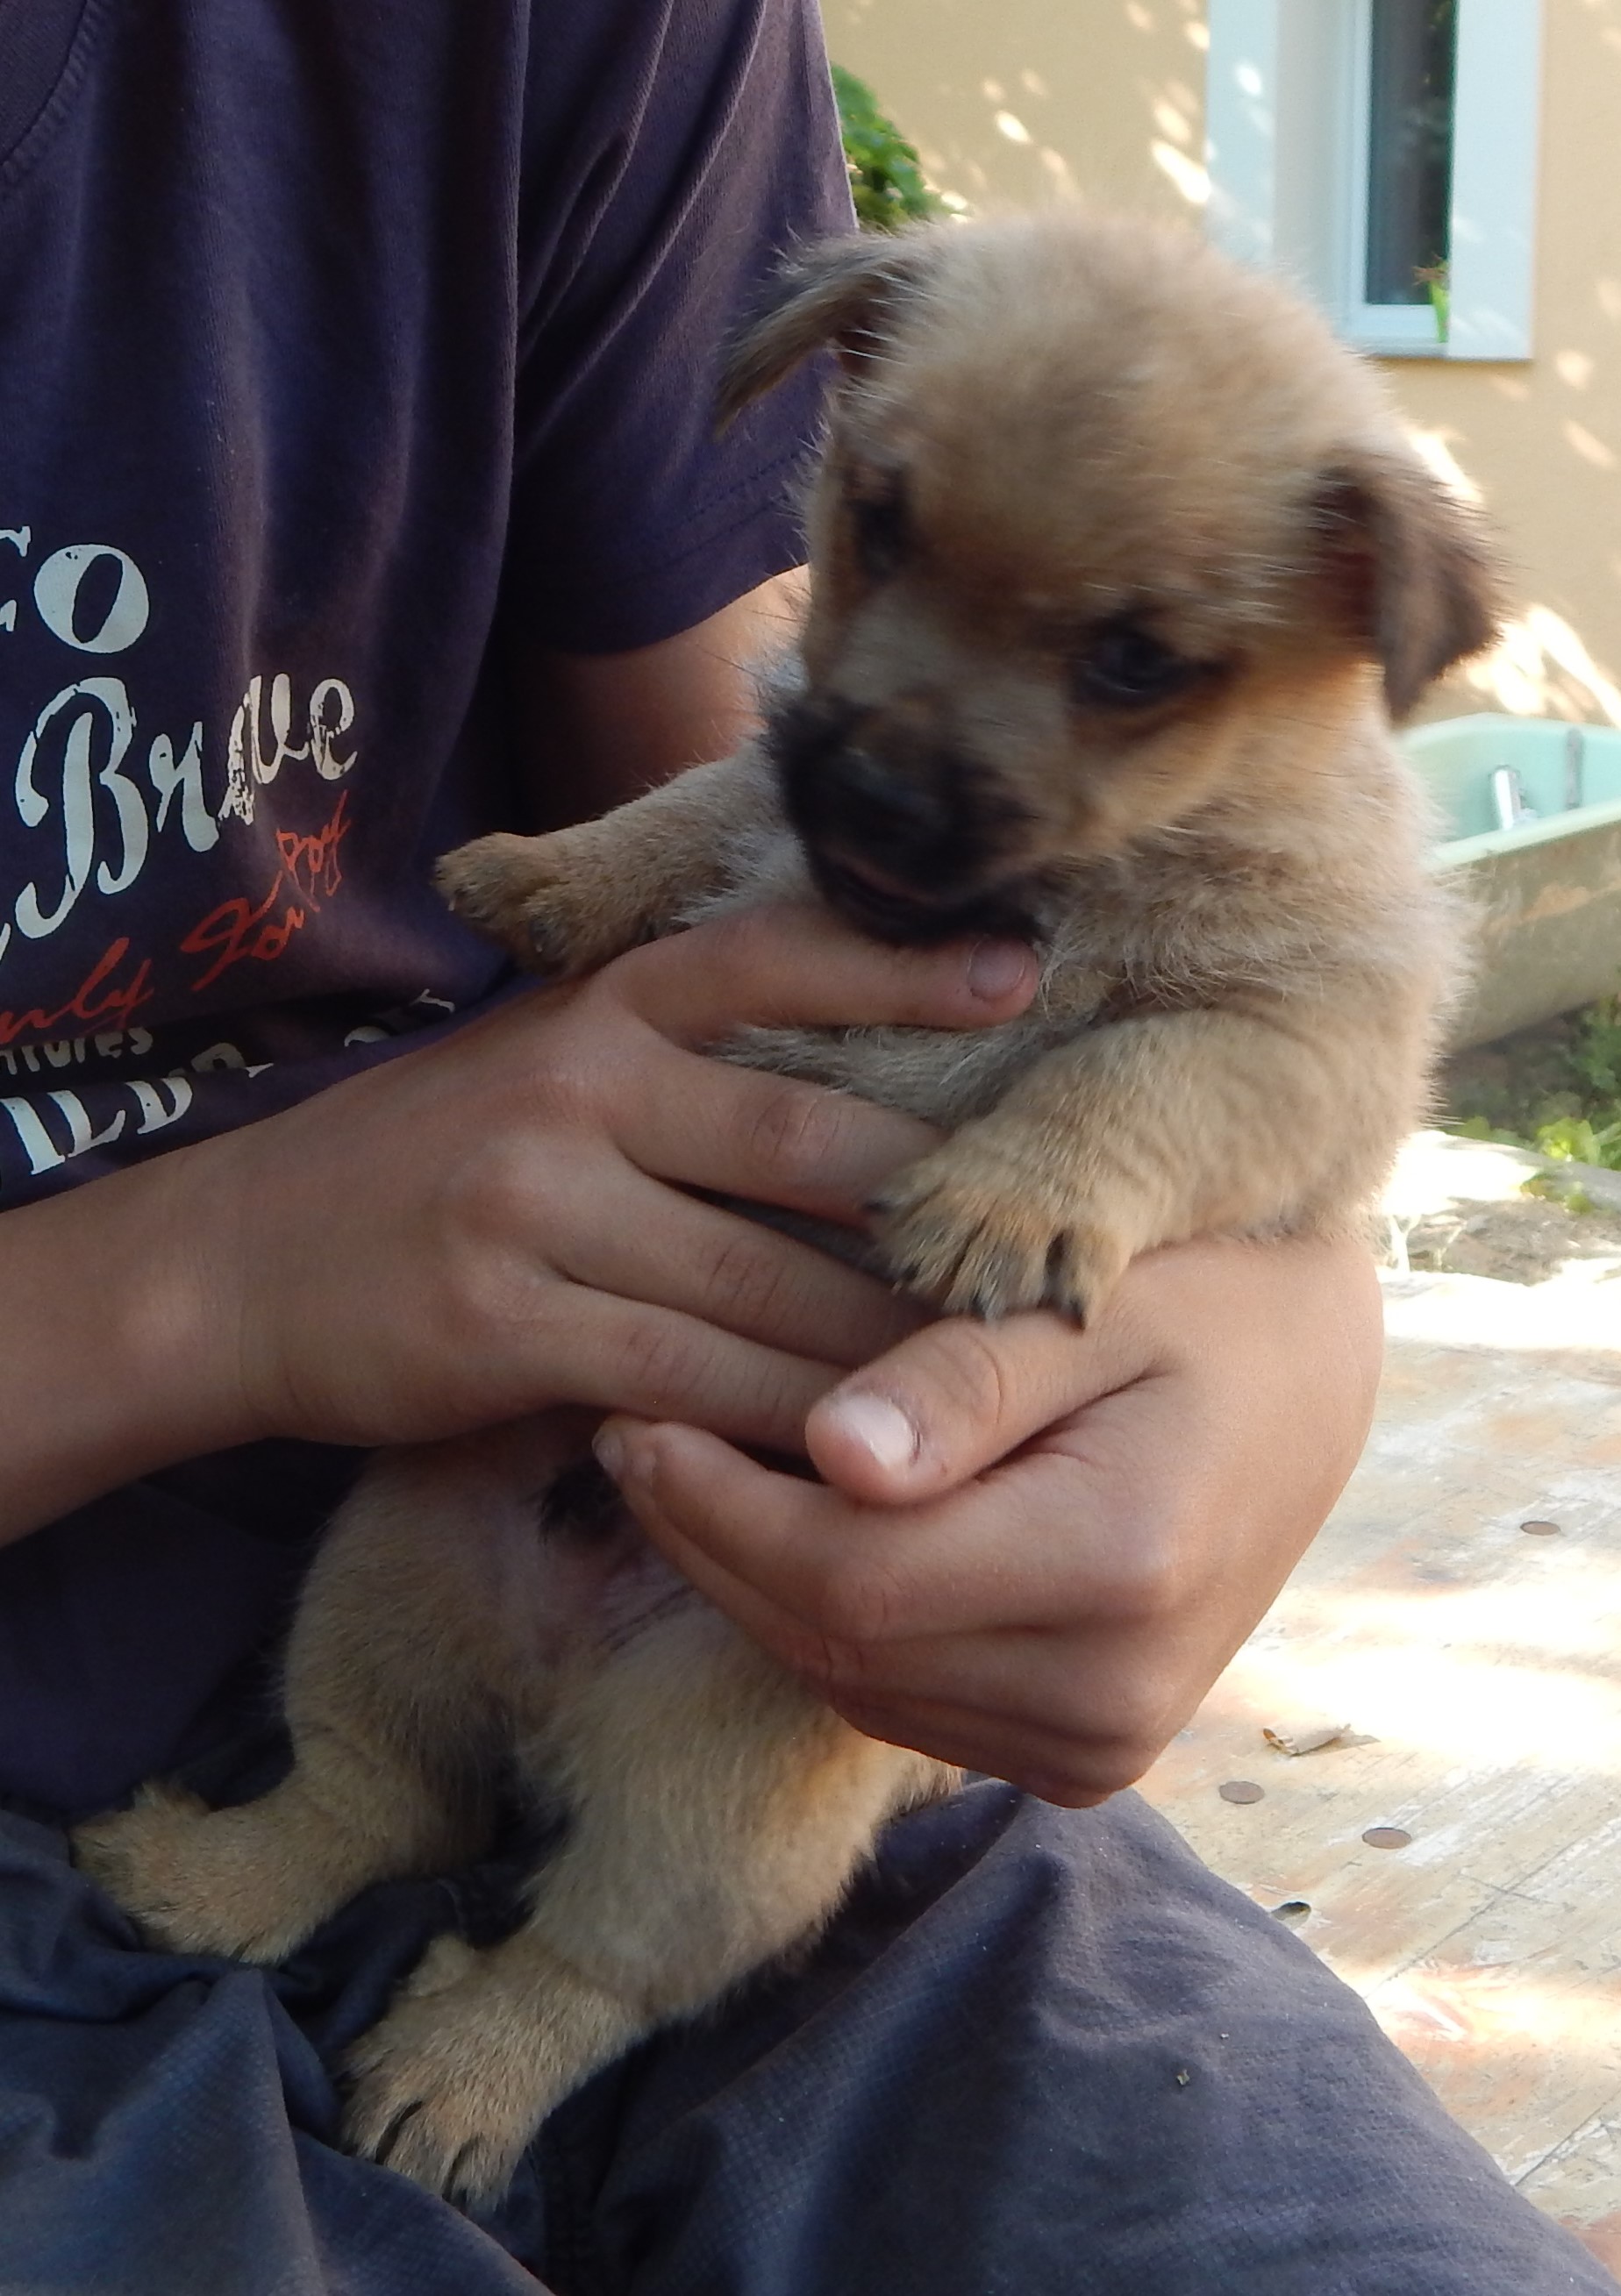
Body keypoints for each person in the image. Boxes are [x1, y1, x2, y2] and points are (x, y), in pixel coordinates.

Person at [0, 4, 1610, 2290]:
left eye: (1127, 662)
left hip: (785, 1590)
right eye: (886, 541)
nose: (904, 724)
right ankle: (351, 1798)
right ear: (838, 387)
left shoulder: (568, 49)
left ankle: (570, 1977)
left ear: (1368, 640)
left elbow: (1302, 1061)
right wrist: (252, 1257)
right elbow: (769, 780)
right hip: (388, 1494)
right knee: (410, 1583)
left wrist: (1262, 1359)